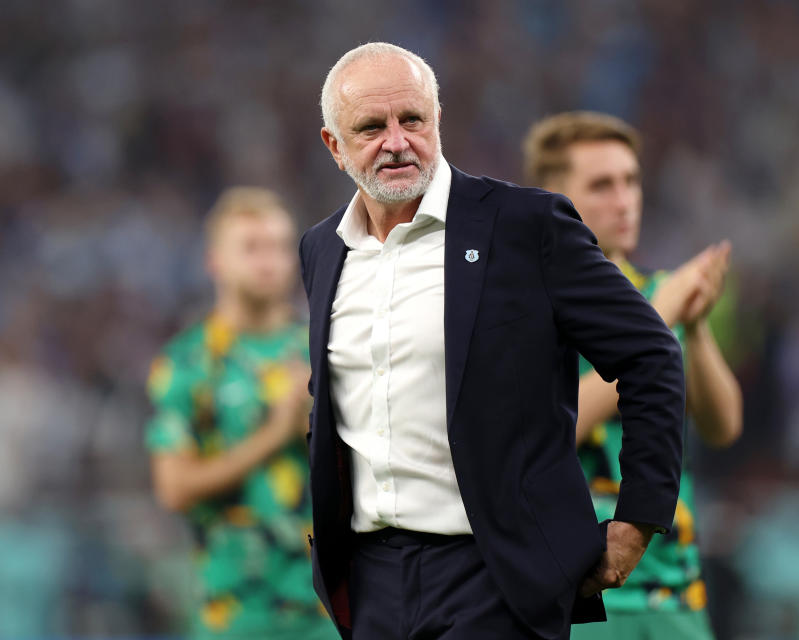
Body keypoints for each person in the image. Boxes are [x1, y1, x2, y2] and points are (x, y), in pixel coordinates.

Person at [299, 43, 685, 640]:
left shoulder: (525, 226)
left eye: (413, 120)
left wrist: (637, 519)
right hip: (371, 582)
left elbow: (650, 355)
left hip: (495, 578)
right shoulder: (323, 250)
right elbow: (331, 400)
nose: (397, 141)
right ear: (334, 146)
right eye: (371, 127)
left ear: (438, 121)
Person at [523, 111, 743, 640]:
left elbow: (723, 426)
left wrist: (694, 326)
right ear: (555, 196)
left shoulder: (660, 290)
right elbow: (545, 428)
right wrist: (660, 318)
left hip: (675, 588)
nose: (624, 200)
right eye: (601, 185)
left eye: (631, 181)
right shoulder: (526, 306)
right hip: (582, 592)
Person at [144, 188, 340, 640]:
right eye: (251, 248)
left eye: (277, 247)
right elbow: (173, 488)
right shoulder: (189, 363)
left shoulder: (324, 351)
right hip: (233, 612)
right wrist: (276, 434)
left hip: (326, 612)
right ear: (215, 262)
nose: (267, 261)